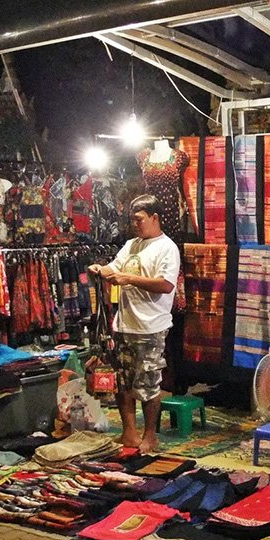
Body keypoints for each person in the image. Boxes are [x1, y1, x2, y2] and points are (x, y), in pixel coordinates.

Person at [89, 194, 180, 453]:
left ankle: (150, 436)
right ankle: (129, 433)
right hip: (124, 324)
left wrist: (128, 279)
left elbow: (165, 284)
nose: (135, 224)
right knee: (123, 382)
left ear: (155, 218)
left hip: (150, 327)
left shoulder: (167, 248)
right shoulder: (131, 245)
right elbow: (114, 268)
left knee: (149, 385)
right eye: (133, 220)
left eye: (139, 219)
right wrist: (99, 269)